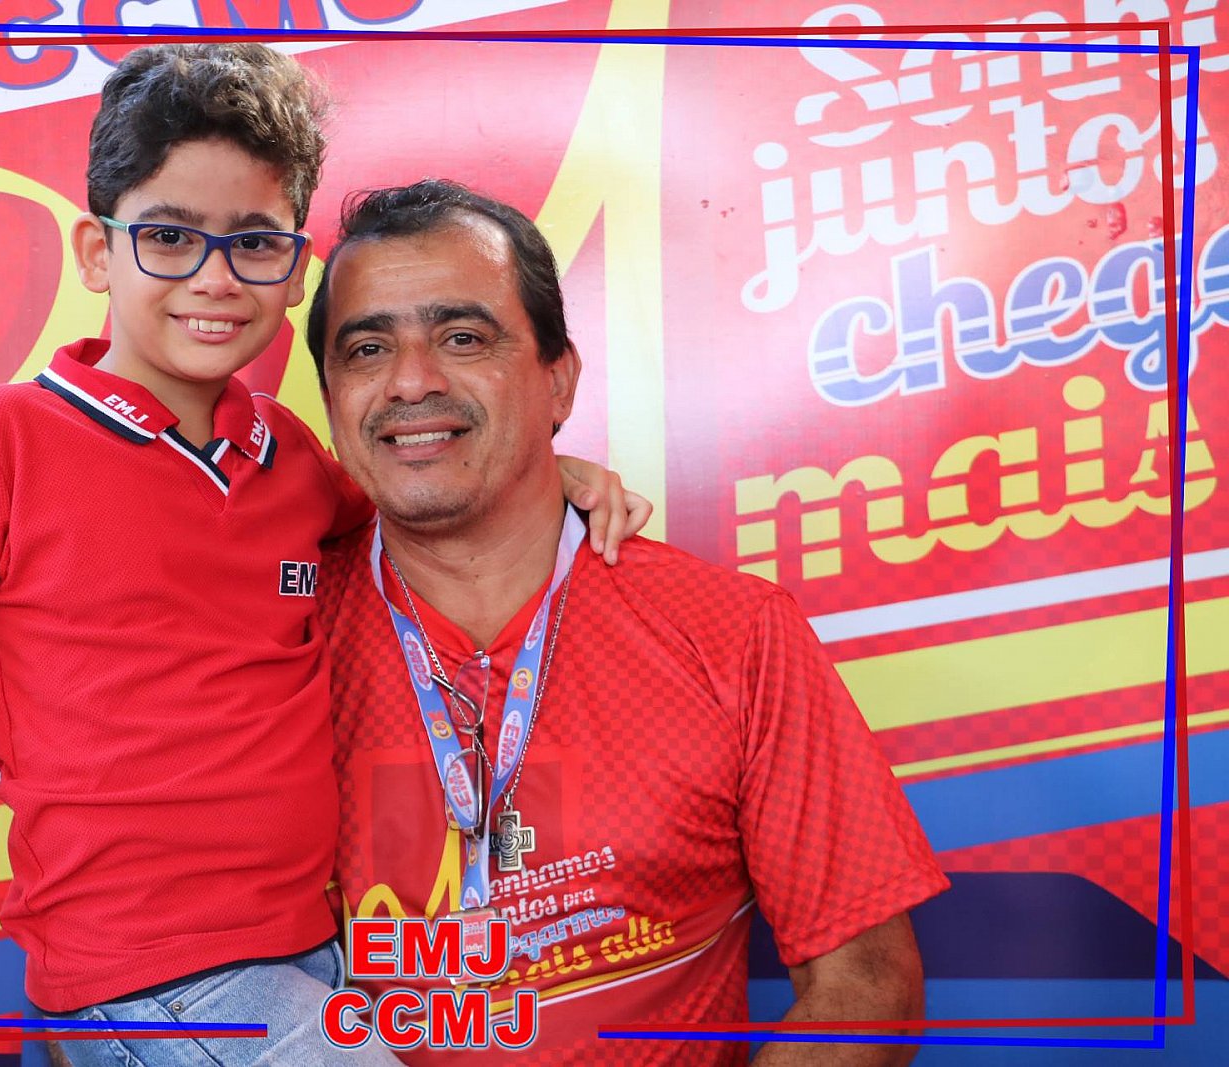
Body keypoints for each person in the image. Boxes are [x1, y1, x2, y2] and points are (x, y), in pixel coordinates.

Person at [0, 48, 640, 1067]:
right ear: (96, 251)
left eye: (254, 242)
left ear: (296, 269)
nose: (214, 278)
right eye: (169, 236)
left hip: (316, 951)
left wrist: (544, 469)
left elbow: (422, 500)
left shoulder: (289, 458)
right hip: (146, 979)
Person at [307, 179, 952, 1065]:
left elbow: (868, 987)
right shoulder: (265, 641)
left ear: (558, 380)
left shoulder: (732, 633)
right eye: (368, 348)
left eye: (463, 338)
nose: (411, 380)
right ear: (330, 399)